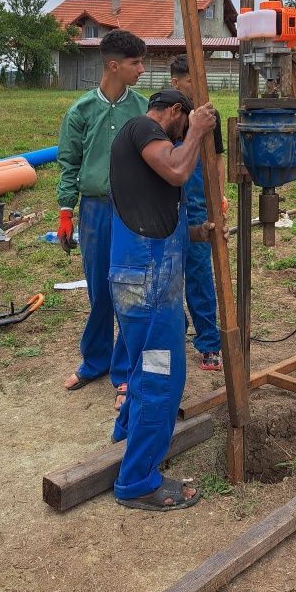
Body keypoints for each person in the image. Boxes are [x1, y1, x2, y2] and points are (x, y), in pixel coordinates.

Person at [108, 88, 221, 511]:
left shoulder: (141, 143)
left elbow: (154, 214)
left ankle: (127, 434)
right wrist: (196, 131)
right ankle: (138, 480)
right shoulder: (143, 127)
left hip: (142, 279)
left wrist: (199, 232)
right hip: (150, 287)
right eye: (182, 124)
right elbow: (176, 170)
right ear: (175, 112)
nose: (177, 142)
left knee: (143, 366)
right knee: (162, 378)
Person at [56, 29, 147, 408]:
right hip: (94, 210)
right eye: (135, 63)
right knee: (98, 289)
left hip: (132, 210)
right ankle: (96, 361)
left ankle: (125, 372)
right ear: (114, 66)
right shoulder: (80, 112)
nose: (142, 69)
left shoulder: (143, 108)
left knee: (127, 288)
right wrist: (65, 212)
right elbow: (68, 163)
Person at [169, 54, 227, 371]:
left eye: (200, 80)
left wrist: (218, 198)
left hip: (197, 205)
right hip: (167, 205)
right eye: (191, 81)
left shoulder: (210, 115)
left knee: (200, 276)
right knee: (167, 276)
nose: (197, 87)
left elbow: (217, 159)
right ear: (175, 81)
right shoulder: (167, 114)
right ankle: (172, 333)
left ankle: (208, 344)